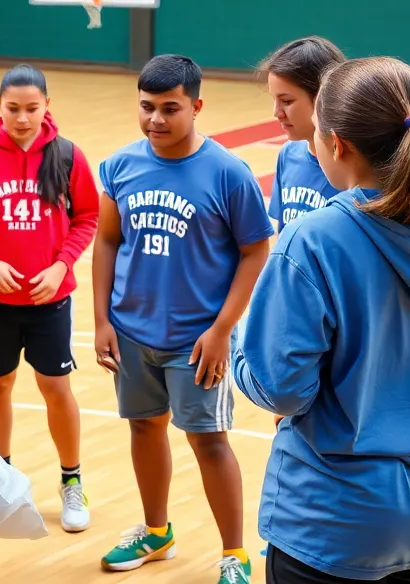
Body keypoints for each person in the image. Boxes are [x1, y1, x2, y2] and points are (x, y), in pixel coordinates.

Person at [232, 56, 410, 584]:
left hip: (329, 521)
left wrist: (237, 345)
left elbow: (284, 391)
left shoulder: (313, 240)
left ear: (336, 143)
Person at [92, 54, 273, 584]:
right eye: (147, 108)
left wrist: (221, 331)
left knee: (208, 440)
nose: (155, 120)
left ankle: (234, 554)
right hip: (132, 331)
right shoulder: (120, 166)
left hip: (196, 340)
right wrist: (102, 318)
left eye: (170, 109)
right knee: (144, 428)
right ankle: (156, 531)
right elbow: (106, 240)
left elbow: (255, 251)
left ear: (196, 106)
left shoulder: (228, 172)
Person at [0, 63, 99, 533]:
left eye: (32, 108)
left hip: (50, 299)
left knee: (56, 388)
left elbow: (87, 218)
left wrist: (62, 265)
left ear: (47, 107)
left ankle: (71, 481)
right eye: (13, 108)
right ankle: (4, 475)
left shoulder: (67, 156)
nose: (22, 118)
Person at [259, 36, 346, 232]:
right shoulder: (289, 154)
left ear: (322, 98)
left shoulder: (354, 169)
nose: (277, 113)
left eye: (287, 101)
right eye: (274, 99)